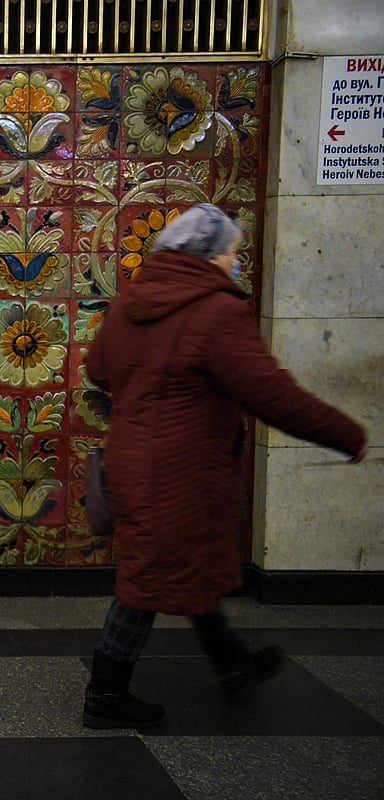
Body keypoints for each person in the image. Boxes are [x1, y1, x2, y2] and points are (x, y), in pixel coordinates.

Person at [82, 203, 369, 730]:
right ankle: (105, 692)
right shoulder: (215, 312)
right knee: (145, 580)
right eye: (232, 252)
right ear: (208, 255)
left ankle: (232, 663)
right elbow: (273, 394)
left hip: (134, 458)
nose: (235, 262)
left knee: (181, 563)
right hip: (178, 472)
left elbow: (98, 368)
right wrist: (346, 433)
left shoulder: (130, 302)